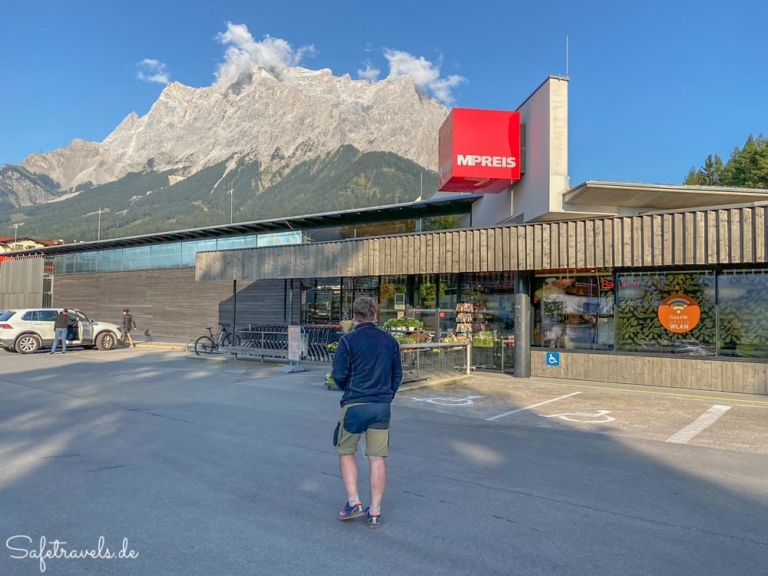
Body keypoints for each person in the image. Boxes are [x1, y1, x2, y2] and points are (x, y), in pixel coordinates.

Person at [331, 296, 402, 529]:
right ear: (376, 315)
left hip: (355, 404)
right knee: (377, 458)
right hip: (382, 406)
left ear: (354, 317)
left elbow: (339, 374)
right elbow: (397, 374)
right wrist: (387, 394)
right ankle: (375, 511)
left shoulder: (348, 341)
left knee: (346, 451)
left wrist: (350, 390)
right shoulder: (390, 341)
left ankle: (354, 502)